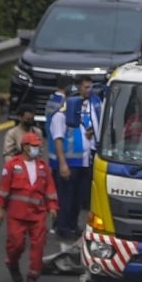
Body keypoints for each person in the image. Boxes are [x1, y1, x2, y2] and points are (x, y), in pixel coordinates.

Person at [0, 132, 59, 282]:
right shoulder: (11, 166)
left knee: (38, 245)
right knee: (16, 245)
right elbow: (3, 189)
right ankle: (12, 263)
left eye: (38, 146)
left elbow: (50, 190)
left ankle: (33, 275)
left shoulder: (43, 168)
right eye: (34, 146)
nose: (37, 149)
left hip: (37, 214)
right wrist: (0, 208)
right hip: (17, 215)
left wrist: (52, 207)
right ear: (24, 147)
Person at [49, 75, 102, 240]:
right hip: (69, 163)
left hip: (84, 162)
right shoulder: (61, 115)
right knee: (66, 197)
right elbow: (58, 140)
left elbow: (86, 132)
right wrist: (62, 164)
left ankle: (72, 224)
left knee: (78, 198)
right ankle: (63, 227)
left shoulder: (80, 114)